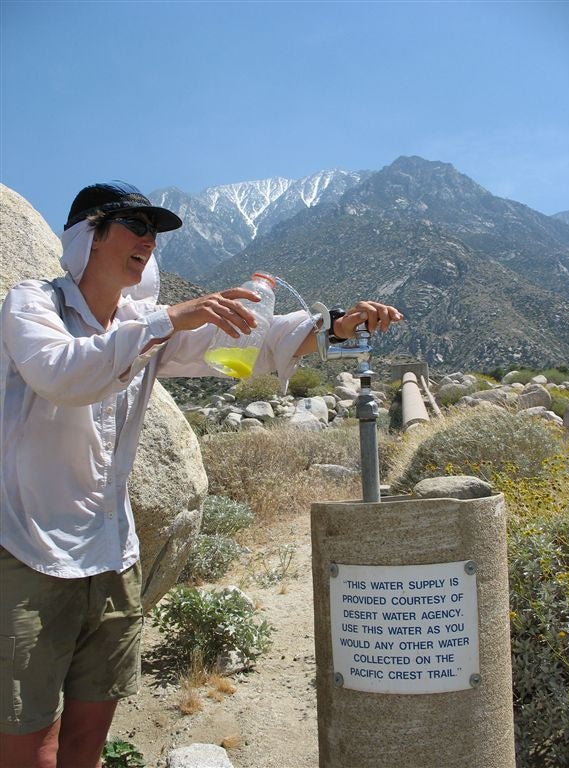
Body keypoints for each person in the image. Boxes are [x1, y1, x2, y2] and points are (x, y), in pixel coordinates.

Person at [0, 181, 403, 768]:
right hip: (30, 549)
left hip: (113, 555)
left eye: (154, 232)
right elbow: (63, 374)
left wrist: (336, 326)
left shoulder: (144, 322)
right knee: (33, 742)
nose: (148, 239)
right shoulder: (32, 304)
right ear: (89, 233)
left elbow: (255, 343)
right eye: (135, 225)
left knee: (88, 738)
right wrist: (167, 320)